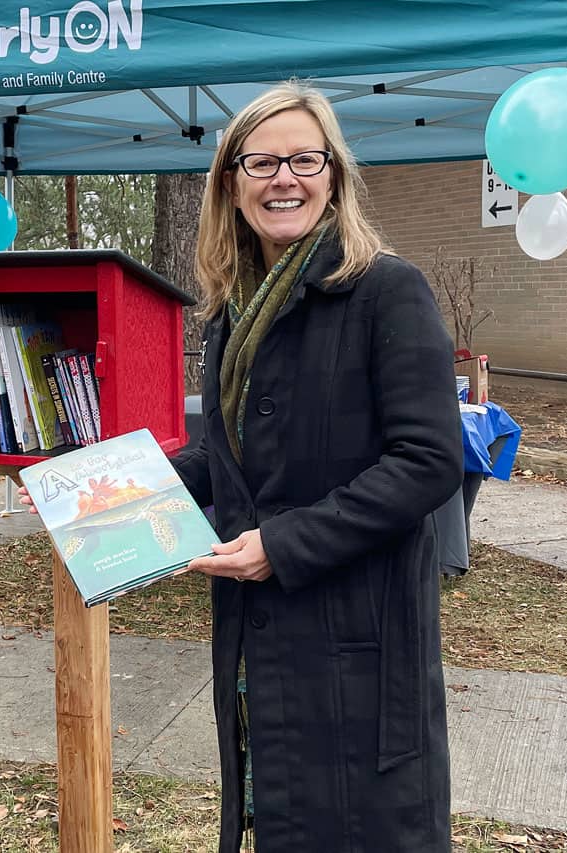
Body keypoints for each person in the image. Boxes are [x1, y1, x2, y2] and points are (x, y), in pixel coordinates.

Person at [172, 82, 464, 852]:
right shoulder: (234, 310)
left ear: (333, 174)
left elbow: (430, 460)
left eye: (304, 158)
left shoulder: (385, 292)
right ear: (230, 186)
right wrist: (111, 498)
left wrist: (284, 543)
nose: (284, 179)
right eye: (261, 162)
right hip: (261, 641)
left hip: (359, 644)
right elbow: (228, 455)